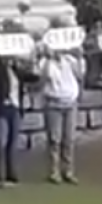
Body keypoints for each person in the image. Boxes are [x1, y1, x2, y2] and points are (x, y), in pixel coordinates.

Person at [0, 56, 35, 187]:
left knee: (13, 142)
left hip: (15, 108)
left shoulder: (16, 70)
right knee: (1, 141)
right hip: (0, 109)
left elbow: (33, 77)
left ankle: (11, 174)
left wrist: (34, 62)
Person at [39, 46, 85, 184]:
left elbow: (80, 74)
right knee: (54, 139)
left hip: (70, 103)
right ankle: (54, 171)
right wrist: (49, 58)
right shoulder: (45, 62)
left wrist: (78, 57)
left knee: (69, 139)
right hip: (53, 103)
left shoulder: (70, 60)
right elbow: (45, 76)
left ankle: (68, 171)